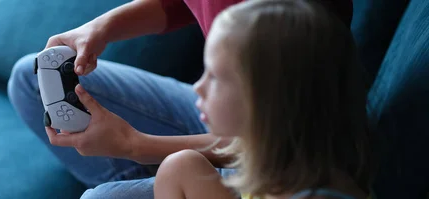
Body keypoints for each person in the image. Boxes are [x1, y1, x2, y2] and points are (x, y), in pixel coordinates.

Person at [7, 0, 357, 198]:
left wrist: (133, 144)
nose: (198, 87)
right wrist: (103, 27)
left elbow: (279, 131)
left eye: (214, 76)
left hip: (265, 139)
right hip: (260, 132)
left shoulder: (289, 40)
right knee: (31, 78)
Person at [153, 0, 373, 198]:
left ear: (268, 103)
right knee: (180, 167)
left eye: (215, 77)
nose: (198, 87)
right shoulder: (276, 173)